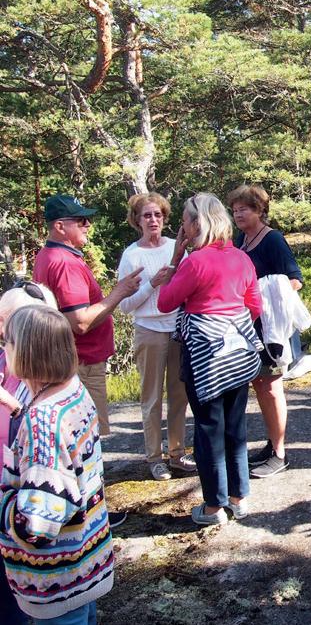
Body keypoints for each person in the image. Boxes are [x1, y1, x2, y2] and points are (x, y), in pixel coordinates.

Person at [0, 304, 115, 625]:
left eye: (8, 342)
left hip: (56, 572)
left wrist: (4, 505)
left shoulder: (43, 423)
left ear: (27, 353)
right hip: (84, 554)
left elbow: (37, 525)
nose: (4, 349)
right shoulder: (73, 391)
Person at [157, 193, 262, 525]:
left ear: (196, 224)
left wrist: (175, 259)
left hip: (205, 356)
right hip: (238, 353)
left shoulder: (195, 262)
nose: (182, 228)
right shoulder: (241, 258)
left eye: (184, 222)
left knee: (208, 429)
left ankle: (214, 507)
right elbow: (255, 307)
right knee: (235, 426)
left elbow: (165, 301)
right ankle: (239, 498)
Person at [32, 193, 142, 441]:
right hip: (82, 363)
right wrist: (120, 292)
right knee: (89, 436)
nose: (88, 225)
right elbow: (80, 322)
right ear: (60, 226)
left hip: (69, 360)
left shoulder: (47, 255)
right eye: (80, 220)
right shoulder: (65, 264)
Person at [0, 282, 56, 625]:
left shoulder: (45, 401)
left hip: (21, 503)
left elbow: (41, 520)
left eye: (8, 325)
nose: (3, 335)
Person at [116, 192, 195, 481]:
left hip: (177, 329)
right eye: (147, 215)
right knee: (151, 398)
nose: (153, 220)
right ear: (137, 220)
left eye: (158, 215)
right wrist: (152, 284)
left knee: (179, 395)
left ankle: (177, 454)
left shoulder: (177, 248)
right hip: (149, 330)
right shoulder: (132, 255)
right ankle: (154, 458)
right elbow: (125, 305)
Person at [228, 184, 303, 479]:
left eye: (244, 209)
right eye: (235, 210)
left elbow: (294, 280)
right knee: (259, 385)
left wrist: (264, 294)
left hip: (271, 330)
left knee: (271, 388)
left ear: (259, 210)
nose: (238, 215)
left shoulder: (273, 239)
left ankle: (280, 454)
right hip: (250, 327)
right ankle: (273, 443)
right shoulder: (241, 240)